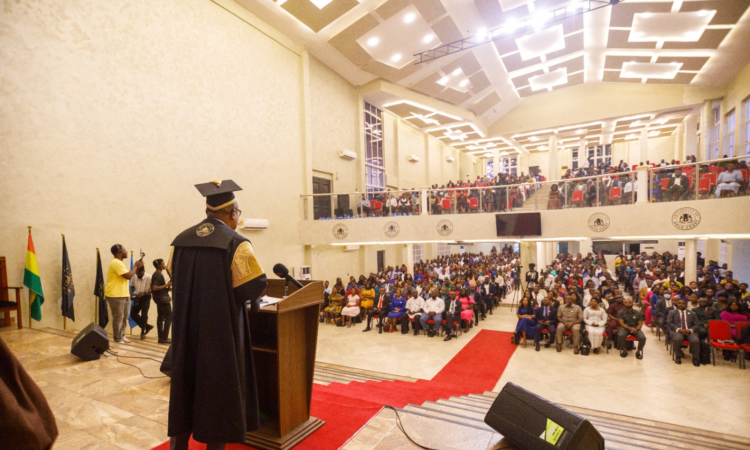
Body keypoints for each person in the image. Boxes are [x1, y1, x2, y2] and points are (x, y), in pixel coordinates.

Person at [168, 180, 268, 450]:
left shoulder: (180, 241)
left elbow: (173, 273)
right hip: (220, 336)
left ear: (208, 210)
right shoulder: (236, 243)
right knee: (218, 391)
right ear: (233, 213)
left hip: (186, 332)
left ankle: (178, 445)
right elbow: (253, 286)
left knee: (184, 386)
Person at [105, 244, 144, 344]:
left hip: (124, 294)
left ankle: (121, 335)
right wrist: (136, 266)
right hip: (115, 295)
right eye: (124, 250)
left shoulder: (120, 263)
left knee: (124, 317)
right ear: (119, 254)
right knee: (118, 317)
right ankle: (118, 338)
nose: (126, 251)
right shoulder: (116, 263)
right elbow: (128, 276)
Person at [667, 299, 701, 366]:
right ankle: (678, 356)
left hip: (690, 331)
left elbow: (697, 324)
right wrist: (679, 329)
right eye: (679, 303)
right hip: (677, 331)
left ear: (686, 305)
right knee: (677, 339)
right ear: (677, 304)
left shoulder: (692, 313)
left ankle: (695, 358)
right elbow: (669, 323)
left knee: (695, 341)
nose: (681, 304)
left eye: (683, 303)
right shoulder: (672, 312)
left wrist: (690, 330)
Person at [151, 259, 173, 344]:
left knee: (160, 318)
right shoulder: (158, 275)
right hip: (163, 299)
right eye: (163, 264)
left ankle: (161, 338)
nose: (164, 265)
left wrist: (167, 288)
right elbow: (154, 287)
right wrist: (167, 285)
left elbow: (158, 287)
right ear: (159, 266)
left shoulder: (157, 274)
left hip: (159, 299)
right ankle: (164, 337)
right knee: (169, 317)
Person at [129, 266, 154, 340]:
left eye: (139, 273)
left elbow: (153, 289)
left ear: (144, 271)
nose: (138, 275)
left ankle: (143, 332)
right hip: (137, 297)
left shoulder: (149, 277)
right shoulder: (135, 276)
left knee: (144, 314)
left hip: (146, 297)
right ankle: (147, 326)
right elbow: (132, 286)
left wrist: (145, 293)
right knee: (133, 314)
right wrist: (131, 293)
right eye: (137, 273)